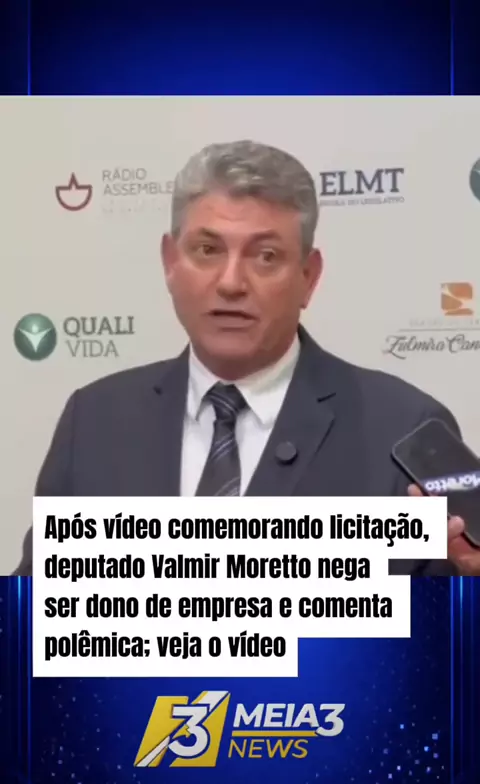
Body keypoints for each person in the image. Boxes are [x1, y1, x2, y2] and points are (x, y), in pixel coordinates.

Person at [13, 140, 479, 576]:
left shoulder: (403, 427)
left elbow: (446, 628)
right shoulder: (94, 420)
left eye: (266, 256)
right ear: (170, 262)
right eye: (208, 250)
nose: (231, 282)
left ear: (308, 276)